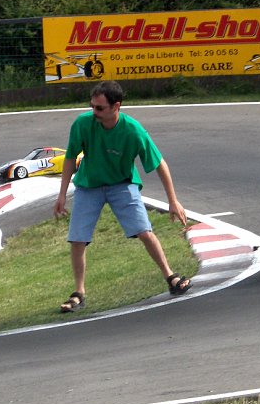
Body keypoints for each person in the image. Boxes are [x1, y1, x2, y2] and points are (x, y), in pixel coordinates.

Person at [53, 80, 192, 313]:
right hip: (89, 185)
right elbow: (69, 158)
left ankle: (170, 277)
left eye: (99, 108)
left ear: (116, 106)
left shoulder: (132, 130)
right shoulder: (83, 124)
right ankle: (79, 292)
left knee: (144, 231)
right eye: (92, 106)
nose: (93, 112)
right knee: (77, 238)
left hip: (122, 185)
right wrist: (61, 194)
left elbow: (159, 164)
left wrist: (173, 200)